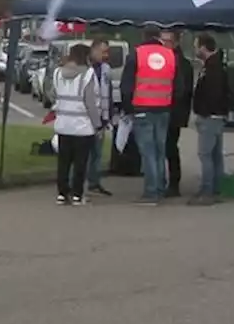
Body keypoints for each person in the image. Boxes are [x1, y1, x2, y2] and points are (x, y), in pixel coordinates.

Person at [121, 28, 176, 205]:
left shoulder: (137, 54)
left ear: (143, 37)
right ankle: (160, 187)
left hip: (142, 107)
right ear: (158, 37)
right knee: (160, 151)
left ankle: (151, 192)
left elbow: (127, 85)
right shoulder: (170, 54)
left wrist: (128, 108)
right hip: (164, 108)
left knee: (148, 152)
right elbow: (177, 83)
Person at [52, 43, 101, 206]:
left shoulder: (58, 73)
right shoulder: (88, 75)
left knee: (63, 161)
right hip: (83, 126)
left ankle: (61, 193)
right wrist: (97, 125)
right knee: (80, 162)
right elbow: (91, 104)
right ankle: (77, 195)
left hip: (63, 124)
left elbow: (54, 95)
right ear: (85, 57)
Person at [189, 33, 234, 206]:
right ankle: (215, 189)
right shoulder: (215, 65)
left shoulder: (212, 69)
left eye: (196, 46)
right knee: (215, 155)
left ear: (203, 47)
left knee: (205, 154)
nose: (195, 49)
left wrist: (203, 111)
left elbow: (212, 94)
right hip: (217, 116)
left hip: (210, 117)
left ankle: (207, 191)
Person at [159, 29, 194, 199]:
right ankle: (166, 181)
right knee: (165, 148)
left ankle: (173, 184)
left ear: (176, 42)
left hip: (173, 113)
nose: (164, 44)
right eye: (162, 40)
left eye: (167, 41)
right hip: (169, 111)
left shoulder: (181, 63)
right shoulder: (166, 59)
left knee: (170, 148)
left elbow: (182, 91)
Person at [85, 38, 114, 196]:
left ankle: (94, 182)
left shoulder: (105, 69)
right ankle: (77, 184)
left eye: (107, 52)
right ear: (93, 50)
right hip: (85, 118)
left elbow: (107, 94)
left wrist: (108, 116)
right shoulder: (85, 69)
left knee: (97, 153)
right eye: (103, 51)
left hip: (101, 118)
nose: (106, 55)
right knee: (83, 153)